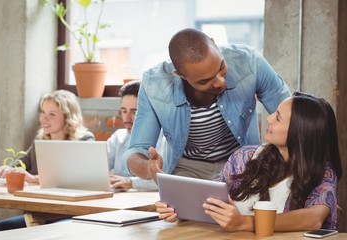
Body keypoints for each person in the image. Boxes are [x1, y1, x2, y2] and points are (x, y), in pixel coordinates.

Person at [120, 28, 291, 182]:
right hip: (187, 170)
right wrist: (148, 169)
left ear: (215, 44)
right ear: (181, 75)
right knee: (182, 215)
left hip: (241, 165)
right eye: (204, 81)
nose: (219, 82)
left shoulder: (249, 62)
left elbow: (293, 116)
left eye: (221, 68)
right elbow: (135, 151)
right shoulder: (154, 85)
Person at [156, 92, 342, 231]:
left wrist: (244, 223)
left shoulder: (323, 173)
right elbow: (209, 199)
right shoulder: (245, 157)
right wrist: (179, 211)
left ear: (300, 132)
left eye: (277, 118)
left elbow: (314, 218)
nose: (269, 118)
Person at [0, 89, 94, 232]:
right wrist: (8, 169)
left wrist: (33, 179)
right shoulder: (40, 140)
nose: (43, 119)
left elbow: (77, 178)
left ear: (68, 117)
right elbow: (21, 162)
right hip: (38, 213)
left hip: (70, 213)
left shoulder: (85, 140)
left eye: (52, 114)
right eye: (43, 112)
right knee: (0, 228)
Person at [108, 80, 167, 191]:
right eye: (124, 111)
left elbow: (167, 179)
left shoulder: (165, 140)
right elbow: (97, 169)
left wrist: (131, 182)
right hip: (119, 199)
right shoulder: (118, 138)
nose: (127, 118)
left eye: (134, 112)